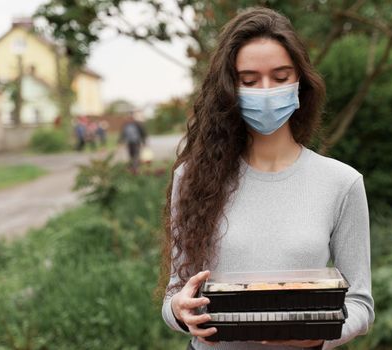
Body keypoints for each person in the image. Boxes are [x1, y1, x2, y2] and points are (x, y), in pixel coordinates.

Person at [157, 7, 374, 350]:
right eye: (249, 80)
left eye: (280, 76)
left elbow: (361, 305)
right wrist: (180, 311)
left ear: (300, 82)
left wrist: (317, 335)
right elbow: (175, 292)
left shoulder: (342, 183)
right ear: (230, 88)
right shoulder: (192, 178)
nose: (266, 90)